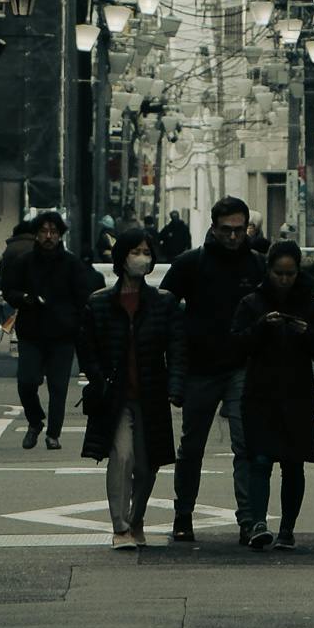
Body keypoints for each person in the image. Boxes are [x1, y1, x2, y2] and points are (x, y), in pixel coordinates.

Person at [159, 194, 268, 544]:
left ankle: (248, 520)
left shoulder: (257, 265)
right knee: (191, 446)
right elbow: (164, 308)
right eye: (226, 230)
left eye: (240, 230)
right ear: (213, 227)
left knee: (245, 444)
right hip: (200, 366)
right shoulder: (190, 264)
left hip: (242, 365)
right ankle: (183, 512)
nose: (234, 237)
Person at [76, 226, 180, 550]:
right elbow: (87, 346)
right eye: (136, 252)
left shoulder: (163, 302)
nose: (142, 259)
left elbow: (176, 347)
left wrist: (175, 385)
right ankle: (120, 526)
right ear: (121, 258)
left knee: (148, 464)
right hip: (116, 394)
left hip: (151, 393)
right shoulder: (101, 303)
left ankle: (137, 519)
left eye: (147, 253)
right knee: (121, 455)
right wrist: (97, 378)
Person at [232, 241, 314, 549]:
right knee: (259, 459)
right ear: (269, 271)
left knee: (293, 463)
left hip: (296, 393)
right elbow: (236, 344)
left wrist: (305, 333)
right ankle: (258, 523)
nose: (284, 279)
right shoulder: (252, 303)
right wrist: (262, 326)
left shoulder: (310, 306)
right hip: (260, 391)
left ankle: (287, 529)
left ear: (298, 272)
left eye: (290, 273)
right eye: (279, 273)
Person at [0, 210, 99, 450]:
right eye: (43, 231)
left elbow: (84, 297)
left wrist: (76, 322)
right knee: (27, 382)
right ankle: (35, 420)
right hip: (31, 332)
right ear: (36, 234)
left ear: (60, 235)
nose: (48, 236)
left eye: (53, 232)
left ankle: (53, 434)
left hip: (63, 335)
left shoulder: (72, 264)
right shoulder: (24, 262)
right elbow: (9, 290)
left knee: (58, 386)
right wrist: (24, 298)